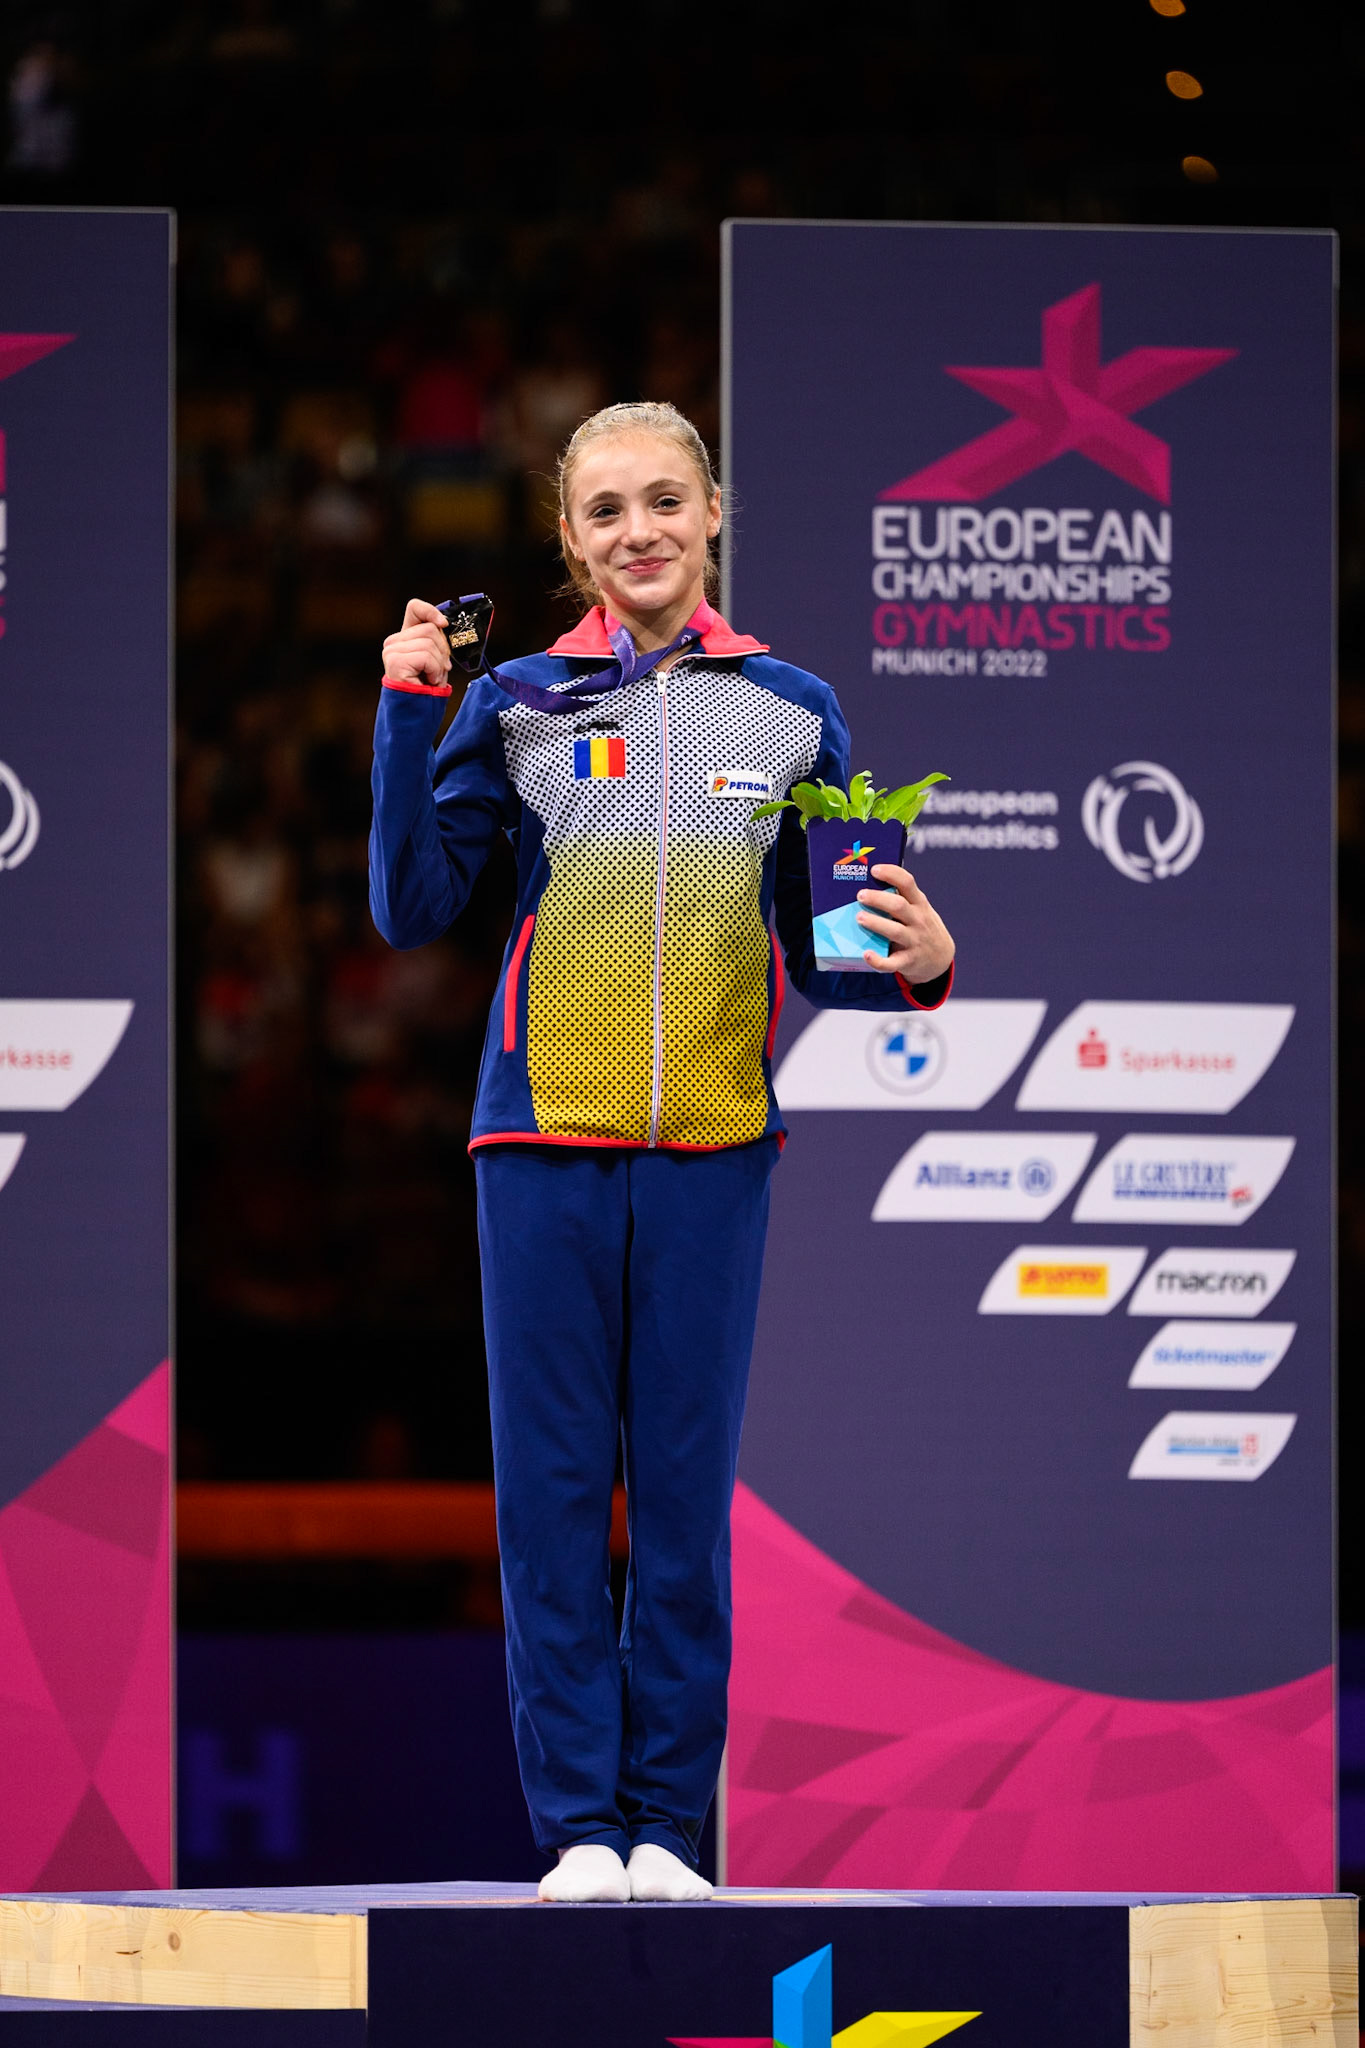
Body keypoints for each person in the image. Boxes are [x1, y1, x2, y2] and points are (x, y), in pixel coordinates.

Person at [369, 400, 955, 1903]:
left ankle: (666, 1837)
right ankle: (577, 1834)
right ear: (569, 540)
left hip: (714, 1152)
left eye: (664, 502)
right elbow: (411, 907)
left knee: (682, 1512)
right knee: (554, 1502)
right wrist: (403, 715)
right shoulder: (510, 704)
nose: (639, 531)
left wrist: (925, 961)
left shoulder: (797, 707)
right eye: (607, 509)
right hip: (538, 1144)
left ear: (711, 516)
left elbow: (827, 950)